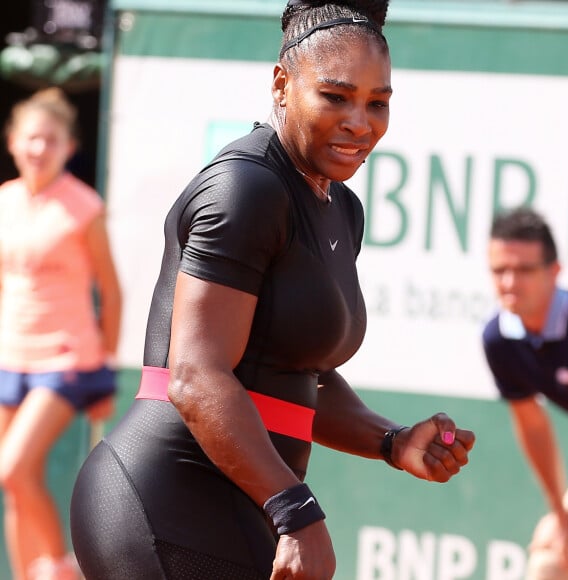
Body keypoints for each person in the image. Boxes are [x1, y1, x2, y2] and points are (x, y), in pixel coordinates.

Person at [70, 1, 475, 579]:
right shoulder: (246, 186)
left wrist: (392, 440)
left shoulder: (341, 207)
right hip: (166, 495)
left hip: (244, 501)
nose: (360, 122)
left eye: (377, 102)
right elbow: (196, 374)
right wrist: (296, 510)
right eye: (335, 97)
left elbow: (295, 376)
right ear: (282, 84)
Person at [0, 87, 122, 580]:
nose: (39, 149)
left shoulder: (84, 207)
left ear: (69, 147)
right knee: (15, 484)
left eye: (51, 141)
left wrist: (107, 369)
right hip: (10, 355)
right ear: (12, 142)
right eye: (31, 139)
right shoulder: (4, 201)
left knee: (11, 468)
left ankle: (56, 572)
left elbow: (111, 292)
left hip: (67, 359)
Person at [482, 206, 568, 579]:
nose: (509, 282)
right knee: (552, 562)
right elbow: (533, 425)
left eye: (523, 270)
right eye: (499, 271)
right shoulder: (498, 339)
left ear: (554, 272)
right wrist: (561, 515)